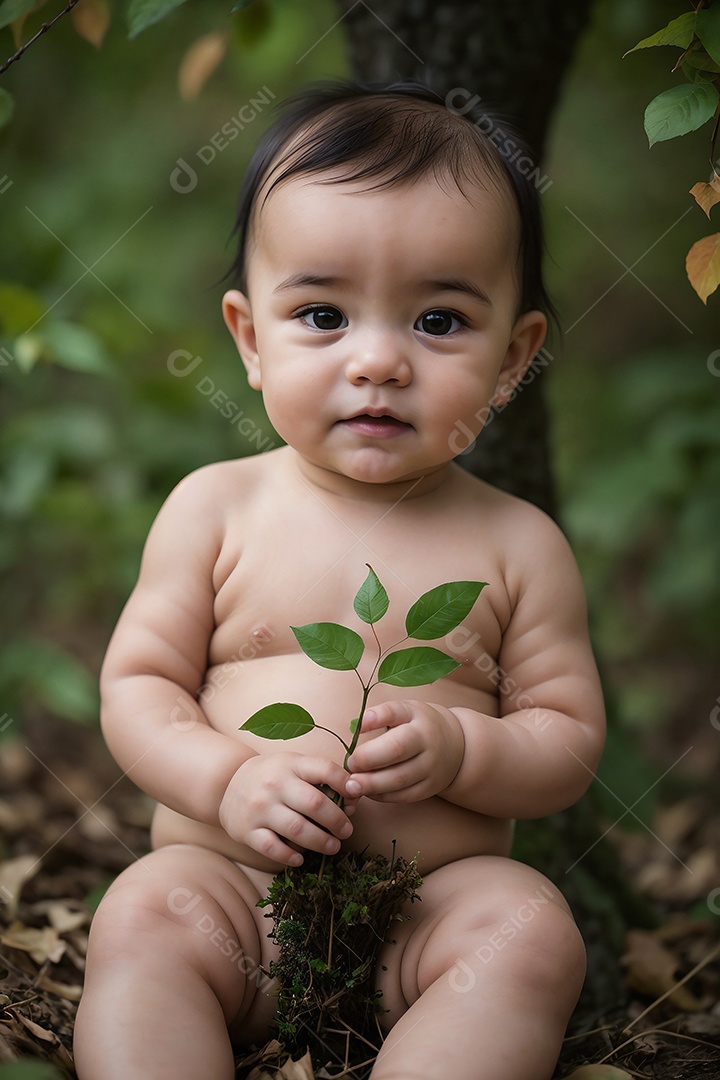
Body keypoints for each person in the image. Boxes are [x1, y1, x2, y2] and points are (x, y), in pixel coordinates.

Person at [73, 81, 605, 1080]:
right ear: (248, 339)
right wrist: (227, 783)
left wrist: (463, 747)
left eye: (439, 322)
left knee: (530, 933)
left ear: (512, 359)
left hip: (423, 916)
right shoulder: (214, 509)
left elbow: (566, 741)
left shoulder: (518, 544)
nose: (377, 362)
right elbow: (138, 688)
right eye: (322, 314)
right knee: (143, 915)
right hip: (233, 898)